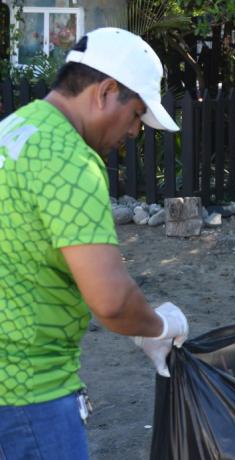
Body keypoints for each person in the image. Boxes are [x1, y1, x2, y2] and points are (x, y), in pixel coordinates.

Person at [0, 28, 189, 459]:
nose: (136, 130)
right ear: (106, 92)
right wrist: (157, 328)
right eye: (137, 113)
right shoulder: (70, 159)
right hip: (29, 393)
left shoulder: (15, 129)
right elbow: (112, 301)